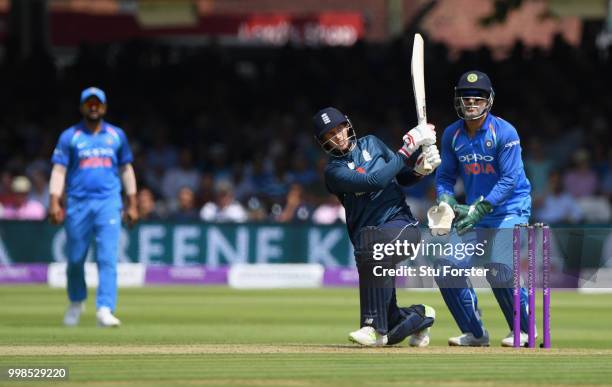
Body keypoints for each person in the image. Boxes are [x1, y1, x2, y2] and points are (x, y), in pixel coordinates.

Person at [313, 106, 440, 346]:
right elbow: (375, 180)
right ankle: (421, 315)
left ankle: (371, 327)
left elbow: (401, 176)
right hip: (369, 240)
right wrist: (408, 146)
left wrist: (421, 170)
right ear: (323, 141)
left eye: (340, 128)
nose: (338, 135)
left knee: (372, 246)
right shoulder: (333, 171)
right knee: (392, 324)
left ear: (347, 125)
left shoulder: (371, 143)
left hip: (402, 226)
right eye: (330, 134)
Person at [434, 71, 532, 346]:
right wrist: (446, 200)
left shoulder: (504, 132)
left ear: (489, 100)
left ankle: (525, 329)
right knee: (445, 267)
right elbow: (444, 177)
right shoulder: (452, 134)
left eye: (477, 98)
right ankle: (475, 332)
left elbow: (510, 179)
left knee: (498, 266)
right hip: (474, 211)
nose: (471, 104)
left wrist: (481, 208)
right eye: (466, 98)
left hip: (510, 207)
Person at [48, 87, 138, 328]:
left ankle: (105, 309)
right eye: (89, 103)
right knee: (76, 259)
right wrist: (54, 201)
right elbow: (59, 170)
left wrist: (132, 203)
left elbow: (126, 169)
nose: (94, 107)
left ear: (105, 107)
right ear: (82, 107)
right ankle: (76, 302)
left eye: (98, 103)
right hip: (78, 203)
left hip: (108, 202)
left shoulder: (116, 135)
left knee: (108, 257)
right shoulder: (70, 136)